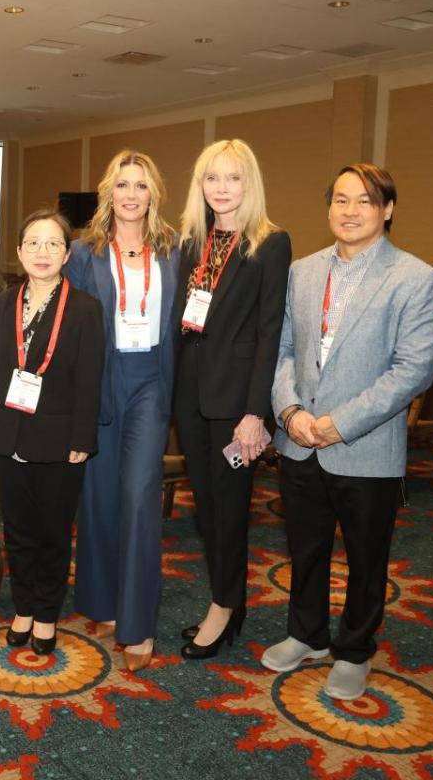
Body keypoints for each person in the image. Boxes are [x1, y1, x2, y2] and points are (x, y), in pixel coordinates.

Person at [262, 164, 433, 700]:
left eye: (364, 201)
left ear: (387, 209)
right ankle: (307, 633)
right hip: (298, 441)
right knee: (306, 548)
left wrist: (338, 424)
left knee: (367, 556)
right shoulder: (303, 271)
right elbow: (283, 352)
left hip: (366, 446)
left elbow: (413, 371)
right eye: (340, 200)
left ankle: (355, 649)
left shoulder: (416, 278)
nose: (349, 211)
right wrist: (290, 411)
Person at [172, 139, 291, 659]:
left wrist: (255, 413)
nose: (222, 188)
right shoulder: (191, 242)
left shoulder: (270, 242)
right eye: (212, 178)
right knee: (205, 507)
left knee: (230, 509)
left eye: (233, 178)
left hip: (235, 402)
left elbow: (271, 332)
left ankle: (224, 606)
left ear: (250, 184)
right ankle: (228, 600)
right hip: (190, 394)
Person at [66, 150, 180, 671]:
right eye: (122, 185)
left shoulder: (174, 250)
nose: (131, 195)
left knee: (137, 496)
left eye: (140, 185)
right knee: (98, 492)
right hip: (99, 379)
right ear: (108, 193)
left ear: (153, 193)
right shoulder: (83, 252)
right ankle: (101, 600)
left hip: (151, 381)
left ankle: (137, 626)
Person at [0, 210, 105, 655]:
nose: (42, 252)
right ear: (18, 252)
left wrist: (82, 440)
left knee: (52, 532)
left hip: (59, 442)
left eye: (53, 243)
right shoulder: (3, 303)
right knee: (17, 529)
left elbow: (90, 379)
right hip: (11, 436)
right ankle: (23, 607)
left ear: (67, 253)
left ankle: (46, 613)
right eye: (33, 243)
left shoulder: (84, 309)